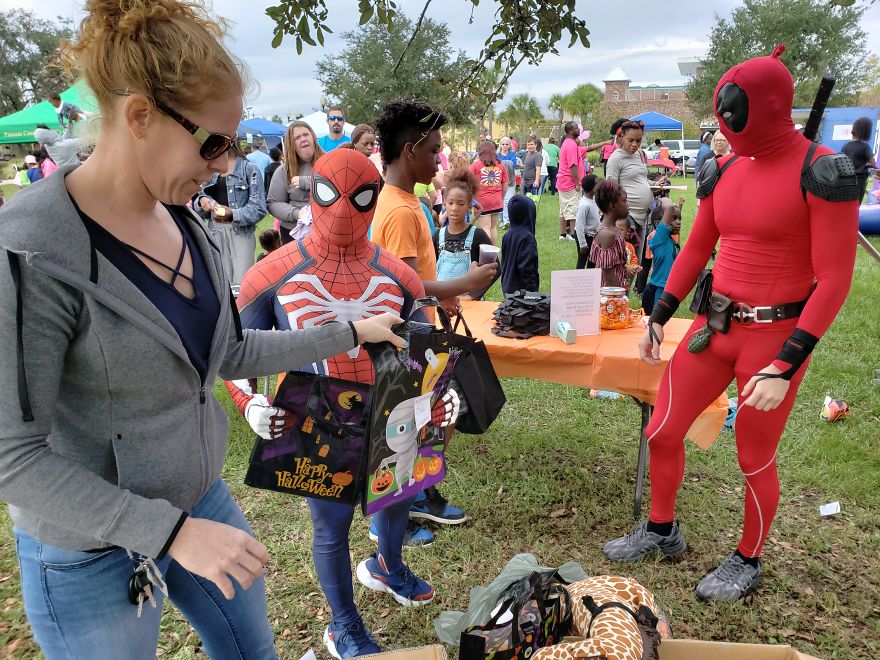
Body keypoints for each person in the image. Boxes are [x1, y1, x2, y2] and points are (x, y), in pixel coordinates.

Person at [0, 2, 406, 658]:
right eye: (214, 142)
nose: (226, 164)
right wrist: (169, 534)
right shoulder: (35, 248)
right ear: (139, 117)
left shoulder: (189, 223)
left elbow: (231, 351)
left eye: (234, 143)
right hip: (89, 549)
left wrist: (351, 332)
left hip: (198, 499)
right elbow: (13, 457)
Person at [603, 45, 860, 602]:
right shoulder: (726, 170)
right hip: (716, 323)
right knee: (663, 429)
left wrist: (786, 364)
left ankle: (748, 558)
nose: (725, 127)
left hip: (774, 337)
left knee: (753, 456)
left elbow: (835, 278)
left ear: (765, 108)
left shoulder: (821, 170)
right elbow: (697, 248)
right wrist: (657, 315)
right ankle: (662, 528)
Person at [227, 148, 451, 658]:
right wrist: (249, 402)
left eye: (361, 196)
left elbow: (430, 350)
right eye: (333, 195)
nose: (346, 208)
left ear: (375, 199)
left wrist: (439, 398)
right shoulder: (275, 271)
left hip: (388, 408)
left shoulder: (398, 275)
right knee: (331, 524)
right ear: (313, 194)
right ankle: (343, 624)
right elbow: (229, 350)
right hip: (316, 410)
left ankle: (387, 567)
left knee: (395, 498)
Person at [371, 100, 498, 528]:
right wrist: (464, 283)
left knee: (424, 414)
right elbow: (410, 287)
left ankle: (419, 492)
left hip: (413, 328)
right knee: (420, 417)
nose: (438, 159)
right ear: (409, 151)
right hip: (410, 334)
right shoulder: (403, 210)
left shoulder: (398, 200)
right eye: (433, 150)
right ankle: (401, 509)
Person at [193, 148, 266, 287]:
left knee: (243, 283)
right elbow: (198, 197)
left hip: (241, 232)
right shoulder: (209, 168)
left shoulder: (249, 169)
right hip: (214, 231)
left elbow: (259, 208)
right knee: (220, 282)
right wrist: (202, 201)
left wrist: (233, 214)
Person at [606, 119, 654, 280]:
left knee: (635, 262)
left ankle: (624, 301)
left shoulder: (639, 155)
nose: (635, 144)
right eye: (631, 140)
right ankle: (617, 299)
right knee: (623, 262)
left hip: (642, 217)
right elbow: (610, 189)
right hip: (627, 218)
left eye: (638, 141)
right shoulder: (616, 159)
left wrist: (653, 185)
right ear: (621, 138)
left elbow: (641, 179)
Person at [268, 120, 324, 244]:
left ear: (313, 137)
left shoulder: (329, 163)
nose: (303, 139)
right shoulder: (283, 171)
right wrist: (297, 214)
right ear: (291, 144)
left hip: (326, 231)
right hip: (293, 233)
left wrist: (308, 182)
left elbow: (337, 186)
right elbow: (273, 203)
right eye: (297, 138)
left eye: (306, 134)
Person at [433, 168, 492, 282]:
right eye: (450, 203)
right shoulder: (437, 236)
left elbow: (494, 269)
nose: (454, 208)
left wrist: (473, 295)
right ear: (444, 203)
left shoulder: (478, 235)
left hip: (469, 299)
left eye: (460, 204)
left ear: (470, 206)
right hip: (443, 298)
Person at [559, 122, 612, 241]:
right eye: (577, 128)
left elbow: (590, 148)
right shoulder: (571, 146)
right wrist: (577, 182)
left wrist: (605, 143)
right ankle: (573, 234)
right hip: (569, 182)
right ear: (571, 131)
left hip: (563, 182)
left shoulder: (570, 144)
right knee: (573, 208)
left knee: (563, 209)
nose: (579, 130)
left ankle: (563, 234)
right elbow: (573, 165)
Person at [640, 197, 683, 314]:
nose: (678, 222)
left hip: (667, 287)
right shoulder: (660, 237)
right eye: (673, 218)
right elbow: (669, 206)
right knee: (656, 320)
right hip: (659, 288)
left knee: (662, 321)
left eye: (680, 219)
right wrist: (663, 199)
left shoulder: (670, 239)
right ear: (659, 224)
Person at [589, 179, 631, 288]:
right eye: (624, 201)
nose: (628, 205)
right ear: (612, 205)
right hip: (609, 297)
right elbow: (607, 272)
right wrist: (619, 298)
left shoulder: (614, 230)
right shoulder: (608, 235)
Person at [470, 141, 508, 245]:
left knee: (485, 228)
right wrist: (501, 197)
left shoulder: (475, 165)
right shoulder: (500, 165)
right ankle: (493, 251)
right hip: (496, 200)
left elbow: (467, 181)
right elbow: (505, 184)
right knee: (493, 227)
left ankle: (487, 253)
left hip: (481, 201)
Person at [500, 195, 539, 296]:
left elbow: (504, 263)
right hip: (522, 293)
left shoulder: (507, 235)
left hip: (508, 288)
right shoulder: (528, 238)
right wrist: (532, 292)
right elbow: (527, 269)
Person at [841, 117, 877, 202]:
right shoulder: (865, 147)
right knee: (857, 204)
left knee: (846, 203)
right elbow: (873, 164)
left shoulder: (845, 147)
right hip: (860, 181)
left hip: (846, 181)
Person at [575, 174, 600, 269]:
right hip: (584, 236)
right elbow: (579, 225)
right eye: (597, 184)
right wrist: (582, 243)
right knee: (582, 259)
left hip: (592, 236)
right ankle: (578, 280)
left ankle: (591, 279)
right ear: (592, 187)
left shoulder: (593, 200)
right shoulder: (584, 205)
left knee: (593, 259)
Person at [496, 136, 518, 228]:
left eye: (507, 144)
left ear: (509, 145)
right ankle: (501, 220)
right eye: (503, 144)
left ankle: (506, 221)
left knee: (507, 201)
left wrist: (502, 163)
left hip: (510, 181)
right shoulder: (496, 155)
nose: (505, 146)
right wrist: (506, 163)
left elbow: (513, 164)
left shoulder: (512, 154)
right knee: (500, 201)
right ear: (500, 145)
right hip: (498, 182)